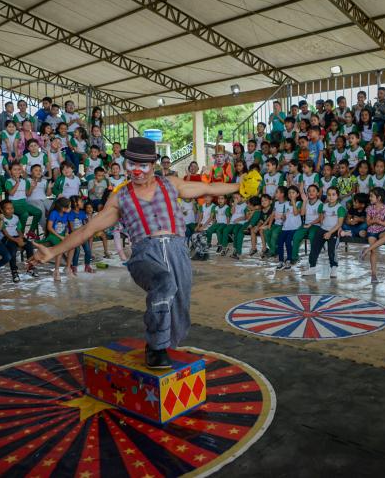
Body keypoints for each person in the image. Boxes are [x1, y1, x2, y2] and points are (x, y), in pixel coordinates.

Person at [31, 137, 239, 368]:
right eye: (131, 164)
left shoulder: (171, 183)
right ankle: (156, 347)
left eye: (143, 165)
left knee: (179, 307)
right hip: (144, 254)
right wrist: (52, 252)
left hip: (177, 251)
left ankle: (164, 342)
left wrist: (241, 187)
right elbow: (88, 229)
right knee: (164, 283)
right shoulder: (121, 197)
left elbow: (209, 188)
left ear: (153, 164)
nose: (137, 171)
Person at [305, 186, 345, 278]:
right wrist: (317, 224)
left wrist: (330, 233)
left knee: (332, 250)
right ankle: (312, 267)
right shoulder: (324, 206)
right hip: (322, 229)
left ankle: (334, 267)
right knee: (314, 247)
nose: (331, 197)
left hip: (333, 231)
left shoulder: (340, 208)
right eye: (329, 195)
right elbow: (321, 217)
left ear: (337, 196)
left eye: (333, 195)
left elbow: (339, 224)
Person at [0, 199, 36, 282]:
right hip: (6, 238)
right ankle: (14, 271)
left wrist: (21, 237)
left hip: (16, 237)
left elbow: (18, 229)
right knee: (12, 250)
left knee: (29, 245)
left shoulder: (16, 217)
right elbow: (5, 233)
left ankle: (30, 267)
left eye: (12, 208)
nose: (11, 210)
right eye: (8, 209)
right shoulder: (1, 219)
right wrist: (17, 241)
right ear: (2, 210)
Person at [363, 188, 385, 283]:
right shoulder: (369, 208)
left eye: (372, 196)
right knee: (374, 251)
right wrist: (373, 221)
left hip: (383, 230)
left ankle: (366, 250)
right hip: (372, 230)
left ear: (379, 198)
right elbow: (368, 223)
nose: (370, 198)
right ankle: (374, 275)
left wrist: (378, 221)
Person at [68, 196, 94, 275]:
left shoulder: (82, 213)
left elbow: (87, 224)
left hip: (82, 235)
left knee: (88, 250)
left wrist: (89, 217)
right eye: (81, 202)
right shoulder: (71, 214)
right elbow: (72, 229)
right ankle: (74, 267)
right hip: (74, 236)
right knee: (77, 251)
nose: (83, 203)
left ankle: (87, 266)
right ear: (75, 204)